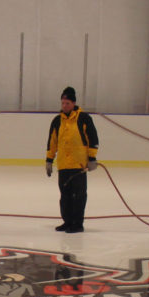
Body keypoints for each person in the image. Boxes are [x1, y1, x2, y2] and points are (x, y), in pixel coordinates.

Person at [45, 86, 99, 233]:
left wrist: (92, 158)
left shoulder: (84, 118)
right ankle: (67, 221)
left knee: (79, 196)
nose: (64, 106)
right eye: (62, 103)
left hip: (79, 165)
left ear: (74, 103)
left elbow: (92, 138)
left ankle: (77, 223)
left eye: (67, 103)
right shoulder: (57, 121)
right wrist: (49, 160)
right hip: (63, 164)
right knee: (65, 195)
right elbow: (52, 142)